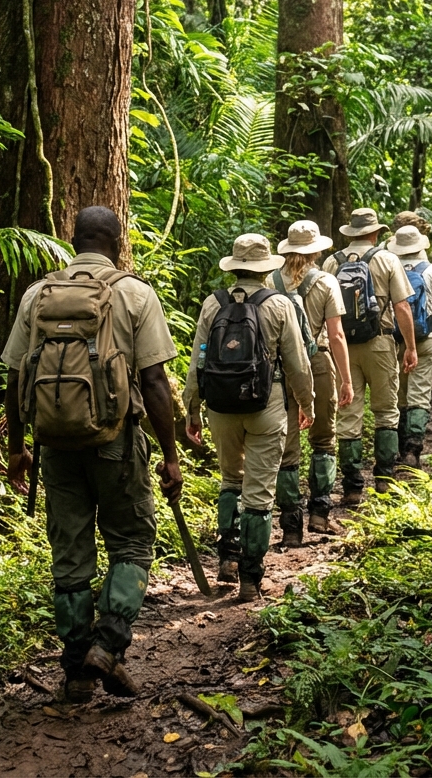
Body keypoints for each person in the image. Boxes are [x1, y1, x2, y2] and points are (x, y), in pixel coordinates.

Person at [3, 206, 186, 704]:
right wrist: (170, 456)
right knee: (131, 542)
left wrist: (17, 448)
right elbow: (154, 381)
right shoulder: (134, 293)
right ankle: (108, 644)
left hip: (54, 447)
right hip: (116, 444)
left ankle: (76, 672)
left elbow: (15, 378)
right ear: (117, 243)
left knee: (71, 555)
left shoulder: (37, 295)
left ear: (73, 239)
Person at [183, 234, 314, 602]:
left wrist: (192, 409)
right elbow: (297, 363)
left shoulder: (213, 303)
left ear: (235, 267)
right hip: (266, 405)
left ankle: (227, 558)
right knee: (259, 494)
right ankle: (250, 579)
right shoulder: (279, 304)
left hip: (220, 407)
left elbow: (198, 360)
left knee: (230, 480)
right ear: (265, 268)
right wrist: (307, 403)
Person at [324, 208, 418, 498]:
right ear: (376, 233)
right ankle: (384, 479)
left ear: (351, 233)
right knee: (386, 411)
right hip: (380, 343)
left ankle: (352, 487)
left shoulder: (331, 262)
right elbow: (402, 306)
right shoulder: (387, 259)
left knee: (348, 413)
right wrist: (411, 347)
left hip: (342, 347)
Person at [271, 220, 354, 545]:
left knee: (287, 448)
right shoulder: (326, 281)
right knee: (323, 441)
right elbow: (336, 335)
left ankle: (290, 527)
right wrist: (346, 379)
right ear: (317, 250)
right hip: (318, 362)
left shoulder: (270, 279)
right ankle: (320, 515)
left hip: (280, 369)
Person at [387, 225, 432, 468]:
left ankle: (398, 448)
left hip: (395, 341)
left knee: (399, 396)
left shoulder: (389, 267)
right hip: (426, 340)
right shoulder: (430, 270)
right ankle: (413, 450)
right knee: (420, 395)